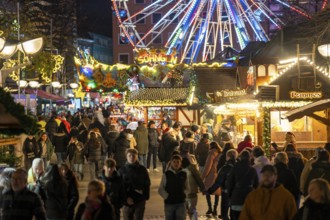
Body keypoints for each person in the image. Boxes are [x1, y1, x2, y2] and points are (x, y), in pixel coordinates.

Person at [118, 148, 150, 220]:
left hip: (139, 200)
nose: (132, 157)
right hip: (127, 201)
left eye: (133, 155)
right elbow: (119, 186)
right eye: (130, 155)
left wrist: (145, 196)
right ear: (126, 157)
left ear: (137, 156)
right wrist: (125, 198)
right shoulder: (121, 170)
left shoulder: (142, 169)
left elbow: (147, 183)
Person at [227, 150, 259, 220]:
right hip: (249, 198)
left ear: (240, 157)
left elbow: (230, 183)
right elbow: (256, 185)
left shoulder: (235, 168)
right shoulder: (252, 169)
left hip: (236, 197)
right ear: (249, 158)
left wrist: (230, 195)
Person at [208, 149, 238, 220]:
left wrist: (210, 190)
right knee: (234, 213)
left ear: (227, 157)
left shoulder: (225, 168)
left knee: (224, 213)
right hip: (236, 193)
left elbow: (218, 181)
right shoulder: (239, 167)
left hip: (226, 192)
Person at [158, 155, 187, 220]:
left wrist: (185, 195)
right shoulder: (166, 174)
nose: (176, 164)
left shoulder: (184, 174)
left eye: (177, 162)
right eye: (174, 162)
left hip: (181, 202)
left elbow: (187, 187)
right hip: (169, 203)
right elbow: (161, 189)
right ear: (171, 163)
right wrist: (167, 196)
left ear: (180, 163)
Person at [181, 152, 205, 220]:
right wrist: (202, 188)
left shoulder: (188, 169)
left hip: (188, 193)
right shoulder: (192, 168)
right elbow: (199, 179)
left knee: (188, 210)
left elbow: (198, 179)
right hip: (190, 193)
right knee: (191, 210)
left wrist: (203, 188)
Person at [202, 142, 222, 217]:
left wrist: (203, 176)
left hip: (211, 174)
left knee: (207, 191)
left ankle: (210, 207)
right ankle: (215, 209)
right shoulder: (220, 153)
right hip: (218, 174)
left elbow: (208, 166)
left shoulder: (211, 153)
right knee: (216, 192)